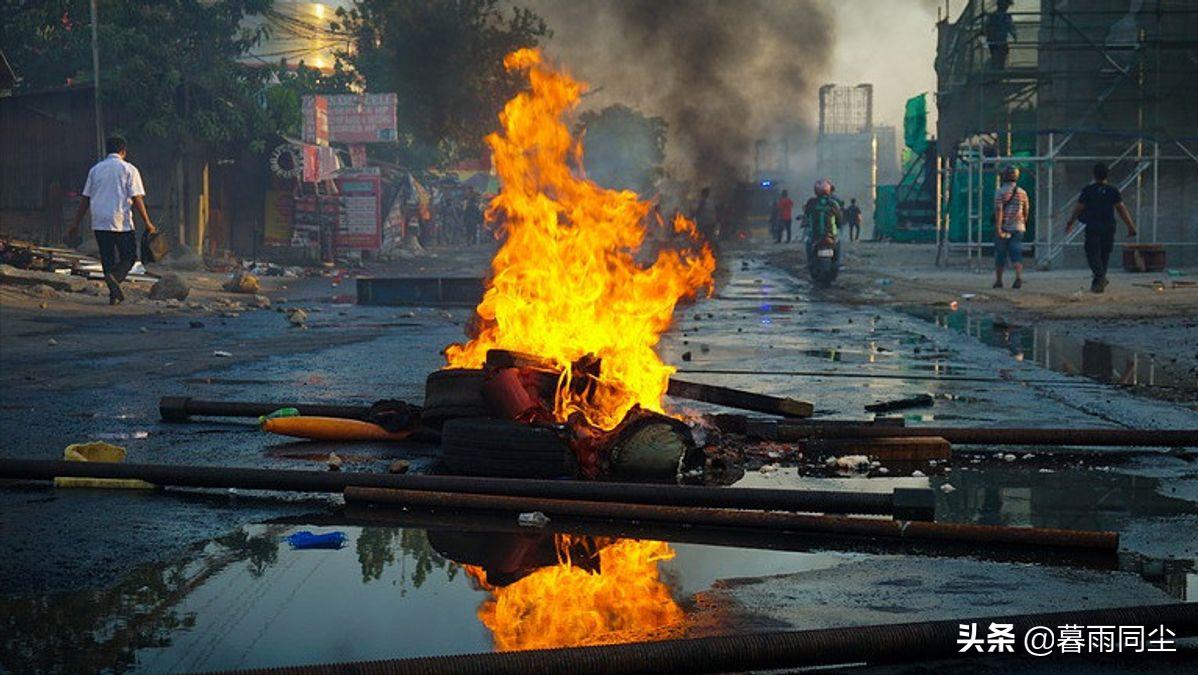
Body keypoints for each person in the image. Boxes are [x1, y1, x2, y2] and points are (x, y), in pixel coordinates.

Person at [70, 135, 156, 305]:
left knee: (107, 258)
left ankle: (113, 295)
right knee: (129, 257)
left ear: (107, 150)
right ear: (123, 151)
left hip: (100, 221)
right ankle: (115, 278)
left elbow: (85, 199)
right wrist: (147, 222)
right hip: (120, 221)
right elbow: (137, 198)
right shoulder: (129, 169)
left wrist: (75, 223)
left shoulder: (95, 170)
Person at [1065, 162, 1138, 293]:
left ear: (1094, 174)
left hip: (1093, 226)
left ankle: (1099, 278)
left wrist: (1070, 222)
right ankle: (1099, 282)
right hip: (1109, 226)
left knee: (1092, 253)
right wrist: (1130, 226)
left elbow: (1079, 208)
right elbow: (1122, 209)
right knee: (1104, 254)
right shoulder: (1113, 190)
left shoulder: (1088, 190)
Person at [993, 165, 1029, 289]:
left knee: (1001, 254)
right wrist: (1024, 222)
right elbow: (1026, 210)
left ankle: (999, 281)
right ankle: (1018, 277)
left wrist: (998, 228)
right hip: (1018, 227)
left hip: (1004, 227)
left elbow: (999, 210)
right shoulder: (1022, 192)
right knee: (1016, 252)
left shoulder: (1000, 191)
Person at [803, 178, 842, 254]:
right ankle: (838, 263)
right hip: (830, 236)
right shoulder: (833, 203)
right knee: (839, 243)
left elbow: (806, 214)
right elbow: (839, 219)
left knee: (808, 242)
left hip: (815, 236)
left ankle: (810, 262)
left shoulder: (811, 202)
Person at [986, 0, 1017, 69]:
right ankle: (997, 71)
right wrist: (1014, 35)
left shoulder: (1004, 16)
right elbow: (1011, 27)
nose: (1006, 7)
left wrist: (1014, 35)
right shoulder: (994, 16)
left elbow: (1011, 27)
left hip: (1000, 41)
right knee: (997, 58)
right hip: (995, 41)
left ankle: (998, 70)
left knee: (999, 58)